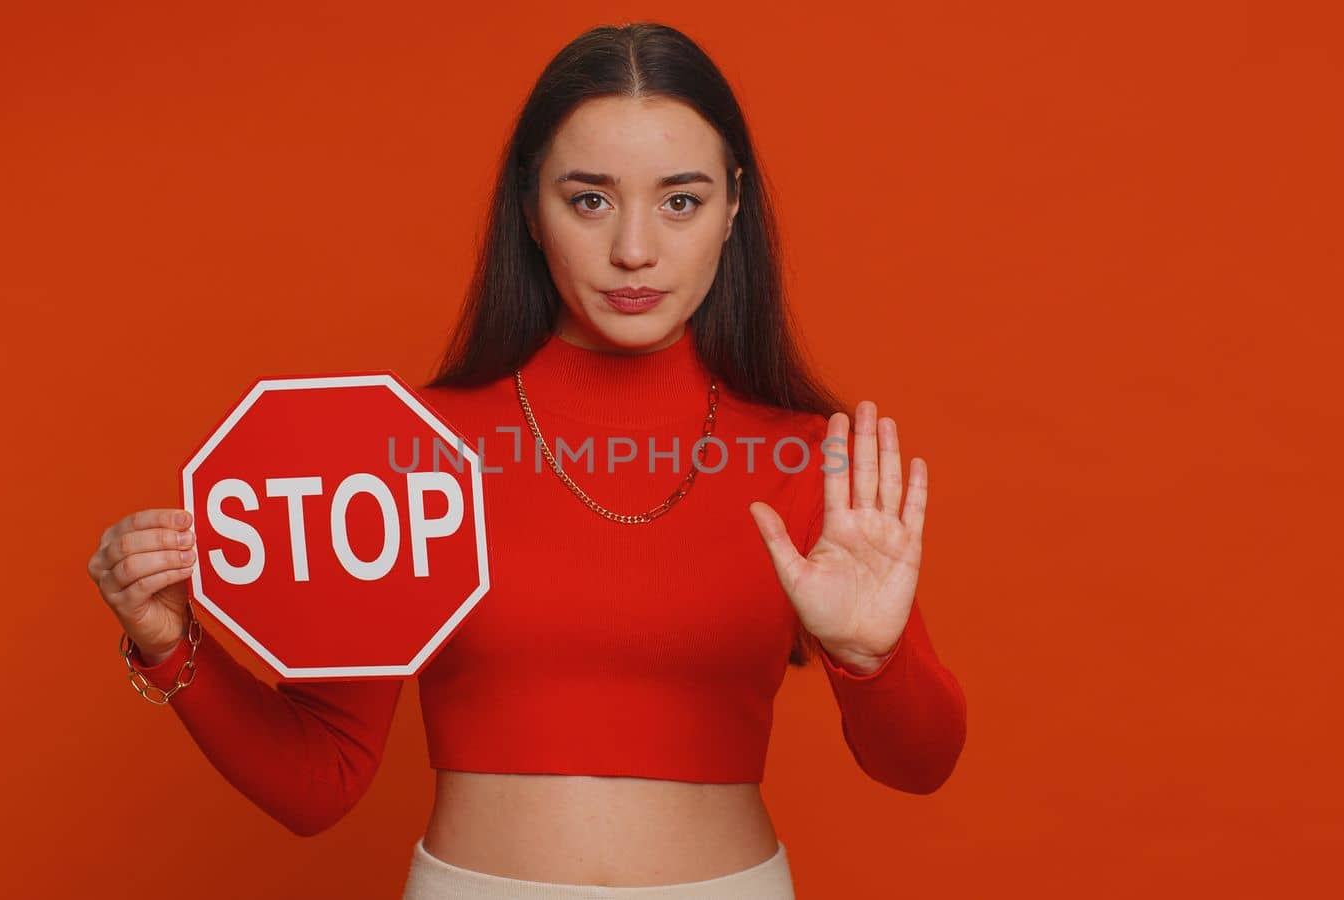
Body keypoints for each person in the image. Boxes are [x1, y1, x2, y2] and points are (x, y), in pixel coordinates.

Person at [86, 22, 966, 899]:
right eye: (589, 199)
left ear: (733, 206)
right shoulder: (404, 451)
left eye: (680, 200)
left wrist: (870, 658)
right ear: (530, 209)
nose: (633, 249)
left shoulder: (812, 459)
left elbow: (920, 767)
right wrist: (170, 642)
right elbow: (320, 782)